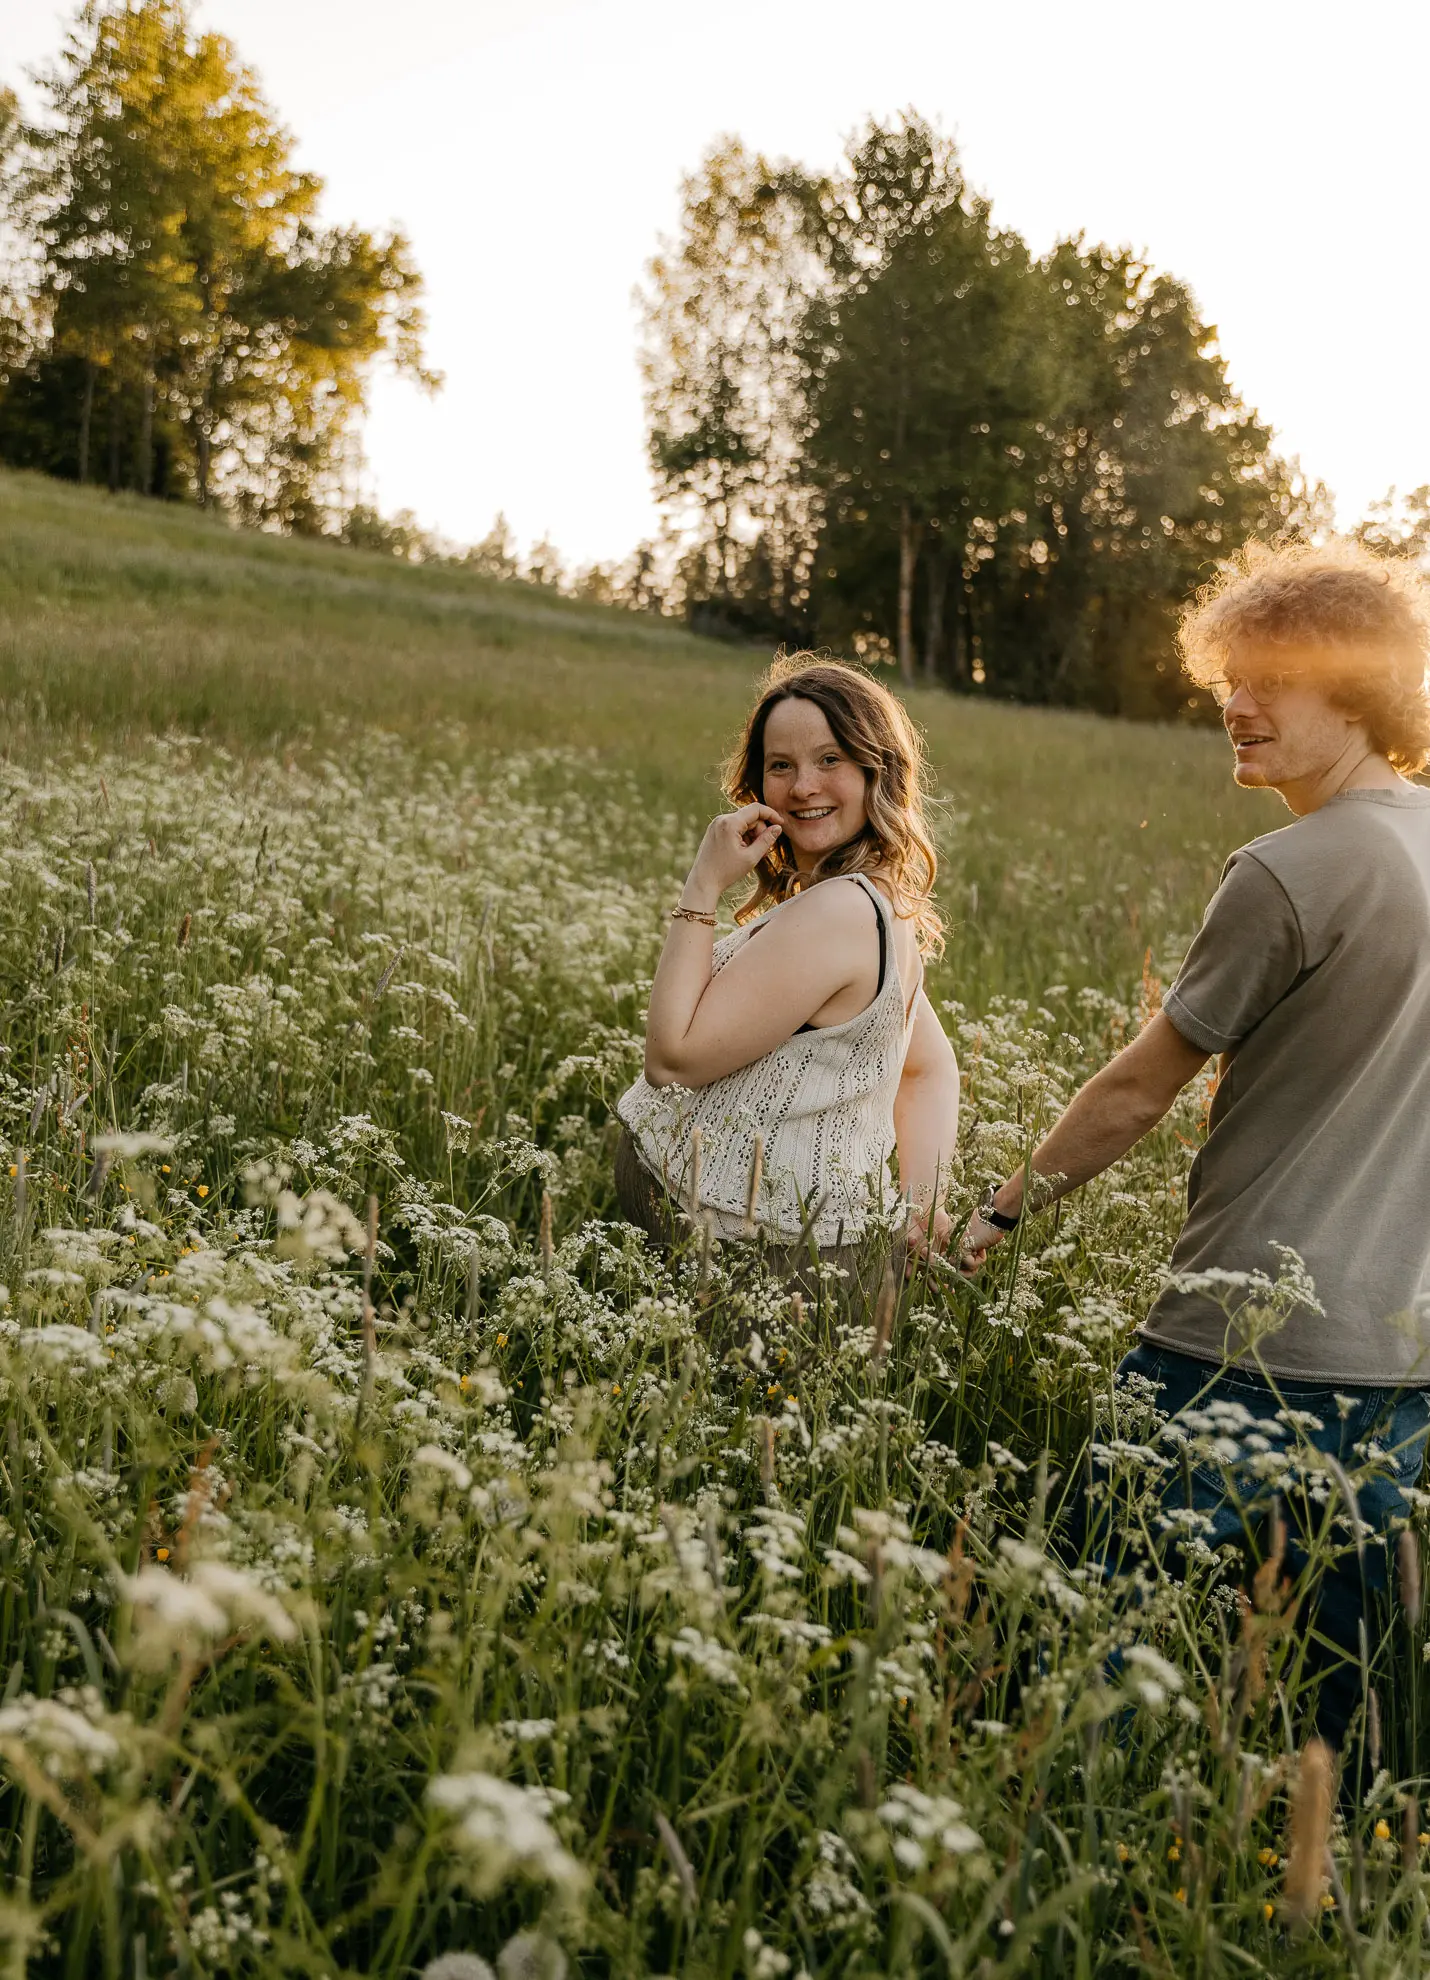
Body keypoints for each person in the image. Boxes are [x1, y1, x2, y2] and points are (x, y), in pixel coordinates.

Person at [961, 539, 1430, 1748]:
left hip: (1232, 1339)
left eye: (1274, 679)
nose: (1237, 704)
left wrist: (1001, 1211)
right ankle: (1324, 1907)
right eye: (1229, 676)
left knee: (1070, 1646)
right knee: (1343, 1707)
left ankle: (1036, 1865)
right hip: (1399, 1360)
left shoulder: (1288, 869)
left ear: (1362, 691)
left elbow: (1136, 1090)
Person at [615, 656, 959, 1287]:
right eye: (781, 766)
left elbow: (670, 1060)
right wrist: (922, 1204)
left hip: (769, 1265)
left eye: (830, 760)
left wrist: (704, 884)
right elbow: (927, 1065)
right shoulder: (877, 905)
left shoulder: (841, 912)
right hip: (786, 1257)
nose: (803, 786)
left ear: (876, 770)